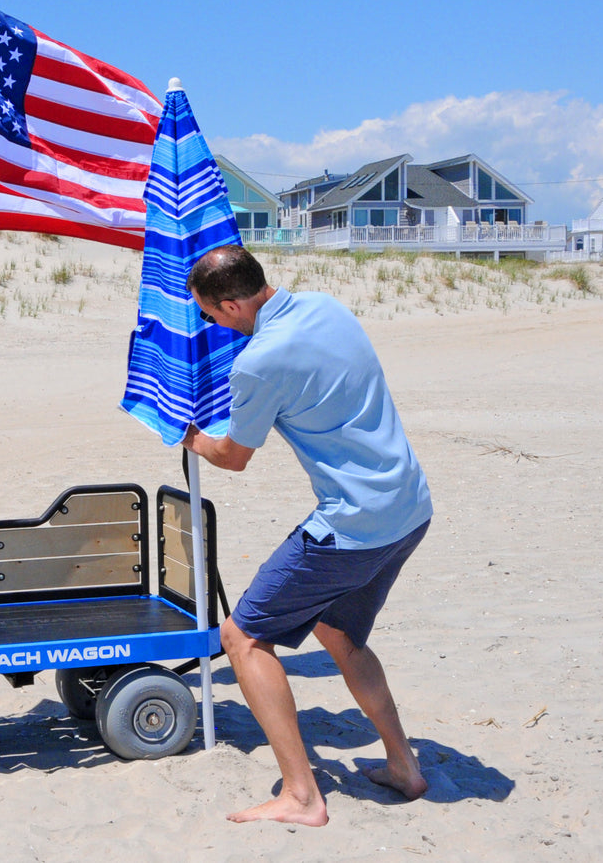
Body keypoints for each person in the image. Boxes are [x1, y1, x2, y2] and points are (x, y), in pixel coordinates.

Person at [181, 243, 433, 826]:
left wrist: (192, 438)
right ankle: (404, 766)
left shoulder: (258, 361)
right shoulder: (326, 306)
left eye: (210, 314)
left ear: (232, 305)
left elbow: (234, 457)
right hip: (409, 507)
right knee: (340, 633)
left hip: (354, 524)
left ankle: (301, 795)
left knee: (242, 637)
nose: (212, 325)